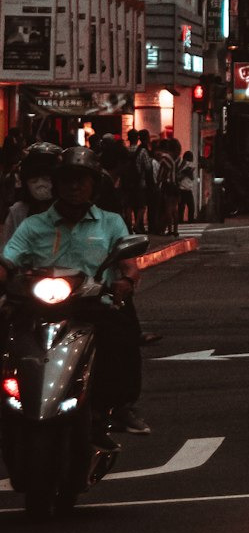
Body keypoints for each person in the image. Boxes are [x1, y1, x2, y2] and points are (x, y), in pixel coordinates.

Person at [1, 146, 149, 436]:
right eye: (68, 179)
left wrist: (126, 282)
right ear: (56, 184)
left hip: (92, 302)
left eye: (82, 179)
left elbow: (129, 265)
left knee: (124, 335)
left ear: (94, 185)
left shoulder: (111, 222)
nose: (74, 186)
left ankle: (118, 406)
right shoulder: (32, 225)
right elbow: (8, 259)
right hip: (38, 302)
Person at [1, 141, 62, 241]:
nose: (40, 184)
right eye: (34, 180)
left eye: (46, 178)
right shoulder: (18, 212)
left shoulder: (70, 209)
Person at [177, 150, 196, 224]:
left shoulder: (188, 165)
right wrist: (185, 172)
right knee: (183, 206)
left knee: (188, 206)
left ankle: (188, 220)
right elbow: (179, 176)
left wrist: (190, 173)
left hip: (187, 188)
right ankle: (182, 220)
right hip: (182, 188)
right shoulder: (182, 165)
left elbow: (192, 178)